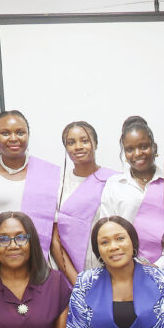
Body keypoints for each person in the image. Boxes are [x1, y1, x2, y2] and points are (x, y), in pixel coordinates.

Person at [0, 110, 62, 264]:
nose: (13, 138)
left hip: (38, 261)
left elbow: (56, 232)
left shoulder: (48, 173)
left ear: (28, 135)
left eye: (20, 132)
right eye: (5, 133)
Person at [96, 116, 164, 270]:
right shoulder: (114, 184)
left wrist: (161, 264)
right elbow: (106, 230)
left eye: (144, 146)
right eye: (130, 149)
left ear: (154, 147)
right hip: (123, 267)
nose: (137, 153)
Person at [53, 120, 118, 281]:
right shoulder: (58, 186)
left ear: (95, 143)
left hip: (114, 271)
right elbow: (55, 239)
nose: (78, 146)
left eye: (85, 140)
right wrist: (77, 282)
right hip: (71, 275)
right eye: (71, 142)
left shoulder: (114, 181)